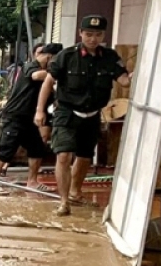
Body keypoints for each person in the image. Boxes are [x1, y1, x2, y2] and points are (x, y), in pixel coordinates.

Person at [36, 15, 130, 216]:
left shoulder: (110, 58)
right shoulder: (66, 56)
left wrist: (134, 76)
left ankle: (75, 192)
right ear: (81, 33)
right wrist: (39, 110)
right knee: (63, 155)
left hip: (93, 114)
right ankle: (63, 202)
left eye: (97, 35)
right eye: (88, 34)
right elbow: (48, 82)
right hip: (66, 111)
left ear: (103, 35)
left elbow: (123, 80)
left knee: (85, 156)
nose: (93, 39)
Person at [0, 43, 62, 195]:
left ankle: (32, 181)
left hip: (30, 119)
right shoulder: (30, 67)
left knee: (37, 149)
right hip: (15, 117)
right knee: (6, 151)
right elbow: (36, 76)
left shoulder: (45, 74)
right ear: (50, 57)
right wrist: (59, 74)